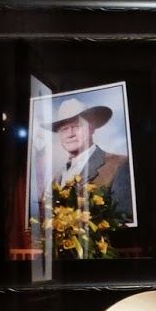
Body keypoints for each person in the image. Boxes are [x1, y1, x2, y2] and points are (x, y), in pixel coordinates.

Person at [39, 94, 134, 222]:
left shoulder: (119, 164)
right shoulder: (55, 178)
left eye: (77, 127)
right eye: (64, 129)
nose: (70, 134)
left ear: (91, 128)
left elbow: (125, 220)